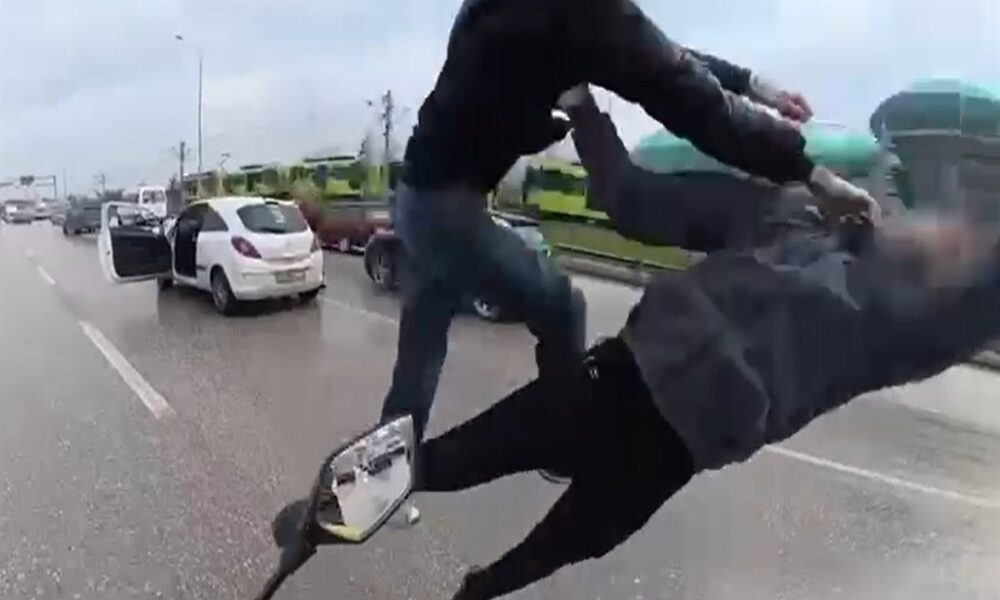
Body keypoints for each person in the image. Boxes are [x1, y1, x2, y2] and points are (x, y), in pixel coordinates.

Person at [413, 87, 1000, 600]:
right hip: (610, 383)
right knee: (438, 462)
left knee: (538, 558)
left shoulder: (899, 336)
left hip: (669, 454)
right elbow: (634, 200)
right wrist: (582, 106)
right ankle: (353, 494)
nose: (958, 243)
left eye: (972, 252)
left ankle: (476, 589)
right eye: (955, 225)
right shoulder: (793, 212)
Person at [379, 0, 877, 451]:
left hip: (416, 191)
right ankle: (559, 434)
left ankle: (382, 479)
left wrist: (752, 84)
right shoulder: (578, 16)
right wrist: (811, 173)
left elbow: (657, 54)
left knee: (418, 359)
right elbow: (680, 91)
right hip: (446, 209)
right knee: (562, 307)